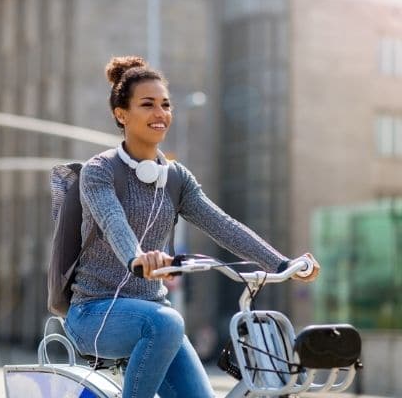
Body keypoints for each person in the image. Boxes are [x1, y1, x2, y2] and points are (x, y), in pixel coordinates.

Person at [63, 56, 320, 398]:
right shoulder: (100, 171)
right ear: (121, 114)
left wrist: (282, 263)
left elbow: (223, 225)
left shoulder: (175, 178)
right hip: (94, 313)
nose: (161, 113)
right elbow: (113, 222)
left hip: (155, 316)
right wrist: (136, 258)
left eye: (166, 105)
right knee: (167, 322)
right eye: (148, 104)